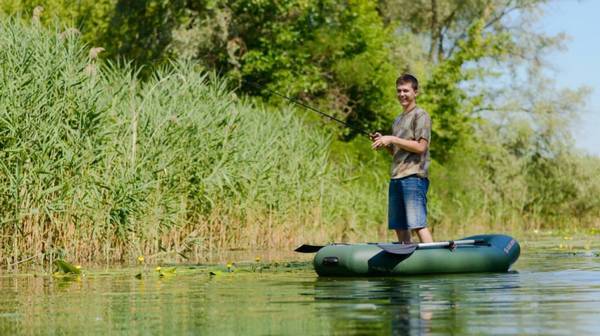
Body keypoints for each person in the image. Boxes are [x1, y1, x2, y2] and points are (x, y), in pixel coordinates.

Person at [371, 74, 434, 244]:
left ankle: (434, 261)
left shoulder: (421, 115)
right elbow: (398, 152)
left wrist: (392, 139)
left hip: (414, 177)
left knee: (417, 224)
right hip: (396, 177)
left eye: (406, 90)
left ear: (415, 92)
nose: (402, 94)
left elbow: (421, 147)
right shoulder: (397, 120)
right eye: (399, 91)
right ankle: (407, 258)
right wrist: (386, 144)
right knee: (399, 225)